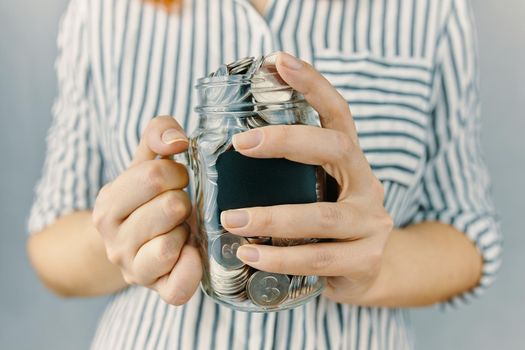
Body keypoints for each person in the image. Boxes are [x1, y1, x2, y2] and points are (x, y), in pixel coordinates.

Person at [27, 0, 503, 349]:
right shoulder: (101, 14)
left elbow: (469, 231)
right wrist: (134, 239)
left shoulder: (430, 12)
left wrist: (373, 268)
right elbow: (50, 242)